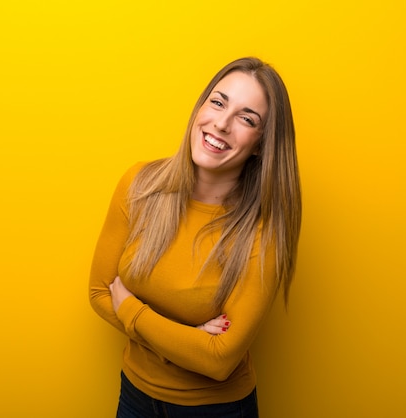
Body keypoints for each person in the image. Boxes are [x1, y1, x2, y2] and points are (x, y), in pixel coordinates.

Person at [89, 56, 301, 418]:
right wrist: (190, 337)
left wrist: (130, 309)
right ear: (201, 106)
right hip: (134, 396)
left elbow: (218, 360)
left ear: (262, 143)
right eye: (218, 102)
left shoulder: (263, 232)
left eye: (247, 119)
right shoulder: (140, 185)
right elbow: (97, 293)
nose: (221, 123)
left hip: (214, 410)